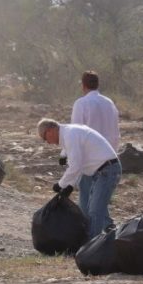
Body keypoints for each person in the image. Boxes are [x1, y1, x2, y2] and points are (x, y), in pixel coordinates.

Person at [38, 118, 121, 236]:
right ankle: (105, 233)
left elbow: (75, 165)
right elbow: (78, 163)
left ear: (50, 130)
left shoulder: (70, 135)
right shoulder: (68, 133)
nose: (47, 142)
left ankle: (90, 247)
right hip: (94, 171)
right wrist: (70, 186)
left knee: (95, 210)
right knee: (85, 206)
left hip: (107, 170)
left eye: (45, 138)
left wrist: (60, 184)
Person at [65, 71, 120, 210]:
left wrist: (66, 155)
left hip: (90, 159)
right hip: (110, 158)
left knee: (87, 201)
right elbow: (115, 131)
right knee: (99, 203)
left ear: (83, 86)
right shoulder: (109, 103)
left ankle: (88, 230)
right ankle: (106, 229)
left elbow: (75, 132)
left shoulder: (82, 103)